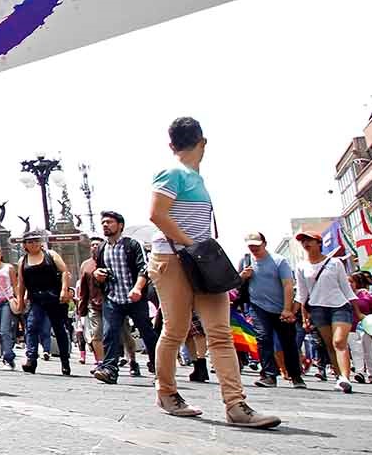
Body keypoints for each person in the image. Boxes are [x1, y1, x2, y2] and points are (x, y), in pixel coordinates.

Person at [148, 116, 278, 428]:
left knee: (219, 333)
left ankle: (236, 404)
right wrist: (193, 245)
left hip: (201, 261)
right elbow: (156, 214)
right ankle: (166, 393)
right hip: (174, 259)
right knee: (176, 330)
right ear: (203, 142)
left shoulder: (196, 178)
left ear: (171, 144)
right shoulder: (173, 172)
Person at [292, 226, 361, 393]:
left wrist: (357, 311)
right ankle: (339, 377)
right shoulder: (301, 266)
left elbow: (346, 288)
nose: (305, 243)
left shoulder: (335, 263)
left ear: (319, 243)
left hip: (340, 306)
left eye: (309, 240)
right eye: (303, 241)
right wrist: (303, 316)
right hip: (317, 309)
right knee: (330, 345)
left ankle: (346, 377)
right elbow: (302, 294)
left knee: (339, 342)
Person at [92, 211, 156, 384]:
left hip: (134, 298)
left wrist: (137, 288)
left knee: (147, 332)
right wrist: (97, 274)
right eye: (103, 222)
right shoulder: (101, 248)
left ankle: (159, 366)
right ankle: (109, 369)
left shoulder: (133, 245)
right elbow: (98, 269)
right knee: (110, 334)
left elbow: (144, 268)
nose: (105, 225)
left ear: (120, 225)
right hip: (113, 298)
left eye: (110, 222)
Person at [239, 231, 303, 389]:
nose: (254, 249)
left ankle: (296, 376)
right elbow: (236, 283)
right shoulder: (246, 261)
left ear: (264, 244)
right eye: (251, 246)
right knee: (263, 338)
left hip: (281, 308)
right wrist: (242, 276)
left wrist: (287, 309)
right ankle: (268, 375)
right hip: (257, 306)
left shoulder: (279, 261)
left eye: (257, 245)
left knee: (288, 342)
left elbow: (288, 284)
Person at [17, 230, 72, 375]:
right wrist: (21, 301)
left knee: (59, 329)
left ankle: (65, 362)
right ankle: (31, 359)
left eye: (36, 240)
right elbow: (21, 283)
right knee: (31, 326)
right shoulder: (23, 261)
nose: (33, 244)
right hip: (36, 299)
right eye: (30, 242)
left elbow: (65, 271)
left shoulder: (51, 255)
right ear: (25, 245)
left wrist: (64, 290)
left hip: (54, 297)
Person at [77, 234, 108, 367]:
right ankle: (101, 362)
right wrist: (81, 307)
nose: (95, 247)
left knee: (118, 333)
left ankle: (130, 359)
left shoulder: (109, 260)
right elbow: (82, 286)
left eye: (98, 244)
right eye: (93, 245)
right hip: (93, 304)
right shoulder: (86, 265)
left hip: (112, 302)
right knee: (96, 334)